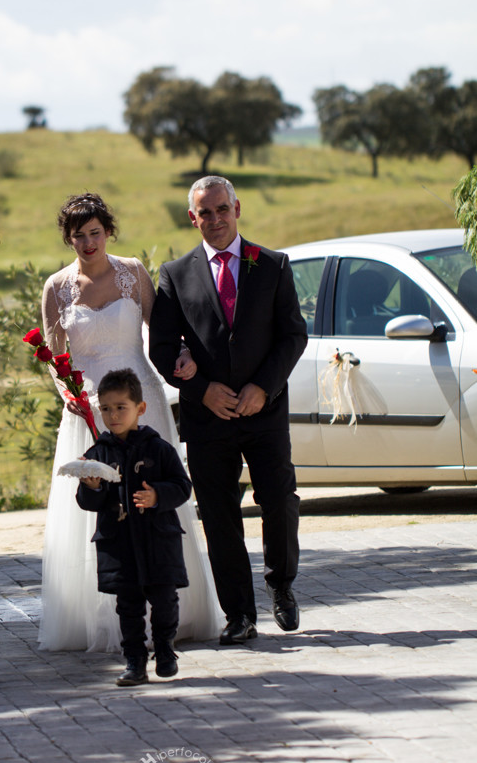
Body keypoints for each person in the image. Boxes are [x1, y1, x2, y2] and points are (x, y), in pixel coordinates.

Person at [38, 192, 223, 652]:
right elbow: (54, 356)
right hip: (88, 410)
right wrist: (71, 396)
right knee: (98, 506)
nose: (87, 243)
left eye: (95, 233)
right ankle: (99, 619)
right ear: (68, 239)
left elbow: (162, 334)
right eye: (78, 236)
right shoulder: (56, 288)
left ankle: (176, 610)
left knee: (154, 496)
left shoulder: (133, 273)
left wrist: (183, 357)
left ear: (108, 232)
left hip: (142, 400)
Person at [149, 176, 308, 645]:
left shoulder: (272, 264)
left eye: (222, 210)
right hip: (208, 419)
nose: (215, 220)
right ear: (192, 217)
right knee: (219, 516)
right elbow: (160, 349)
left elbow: (293, 335)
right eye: (205, 213)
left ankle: (281, 585)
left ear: (237, 208)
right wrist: (201, 390)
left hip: (265, 411)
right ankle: (239, 615)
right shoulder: (174, 275)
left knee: (279, 501)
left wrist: (263, 386)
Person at [77, 368, 191, 686]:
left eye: (121, 407)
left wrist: (158, 496)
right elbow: (87, 502)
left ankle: (165, 649)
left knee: (165, 600)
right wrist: (92, 487)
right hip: (120, 543)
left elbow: (183, 487)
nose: (113, 416)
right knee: (128, 606)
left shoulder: (159, 449)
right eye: (106, 409)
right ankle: (135, 660)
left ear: (140, 408)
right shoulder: (97, 455)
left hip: (158, 541)